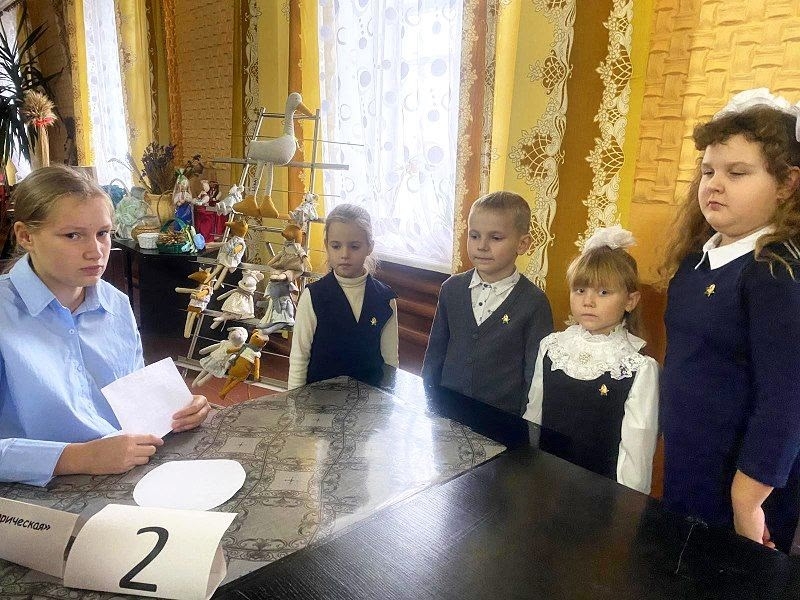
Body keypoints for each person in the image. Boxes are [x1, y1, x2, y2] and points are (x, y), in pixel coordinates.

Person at [0, 165, 210, 487]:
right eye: (73, 235)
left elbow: (134, 398)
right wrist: (76, 457)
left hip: (124, 473)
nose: (95, 251)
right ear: (26, 236)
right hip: (31, 493)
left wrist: (178, 409)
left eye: (103, 233)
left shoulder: (116, 304)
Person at [660, 88, 800, 552]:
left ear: (787, 184)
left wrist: (749, 498)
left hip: (744, 487)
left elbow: (786, 398)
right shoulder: (696, 261)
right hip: (692, 463)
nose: (714, 184)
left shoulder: (774, 273)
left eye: (736, 173)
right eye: (708, 171)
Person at [522, 225, 659, 493]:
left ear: (630, 300)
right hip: (546, 483)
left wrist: (628, 506)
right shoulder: (552, 348)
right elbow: (533, 415)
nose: (588, 301)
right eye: (580, 290)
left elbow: (637, 453)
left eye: (603, 292)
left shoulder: (636, 368)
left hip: (599, 493)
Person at [421, 191, 553, 415]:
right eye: (474, 236)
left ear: (522, 244)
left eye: (495, 238)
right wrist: (428, 400)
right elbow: (435, 353)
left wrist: (525, 424)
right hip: (447, 409)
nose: (482, 246)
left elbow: (535, 372)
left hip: (500, 419)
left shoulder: (533, 302)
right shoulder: (451, 289)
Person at [288, 203, 398, 389]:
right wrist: (294, 401)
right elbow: (300, 356)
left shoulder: (385, 298)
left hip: (369, 398)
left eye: (354, 247)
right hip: (319, 399)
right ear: (327, 246)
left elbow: (390, 360)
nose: (344, 254)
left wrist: (388, 399)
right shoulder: (313, 296)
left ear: (369, 247)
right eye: (336, 246)